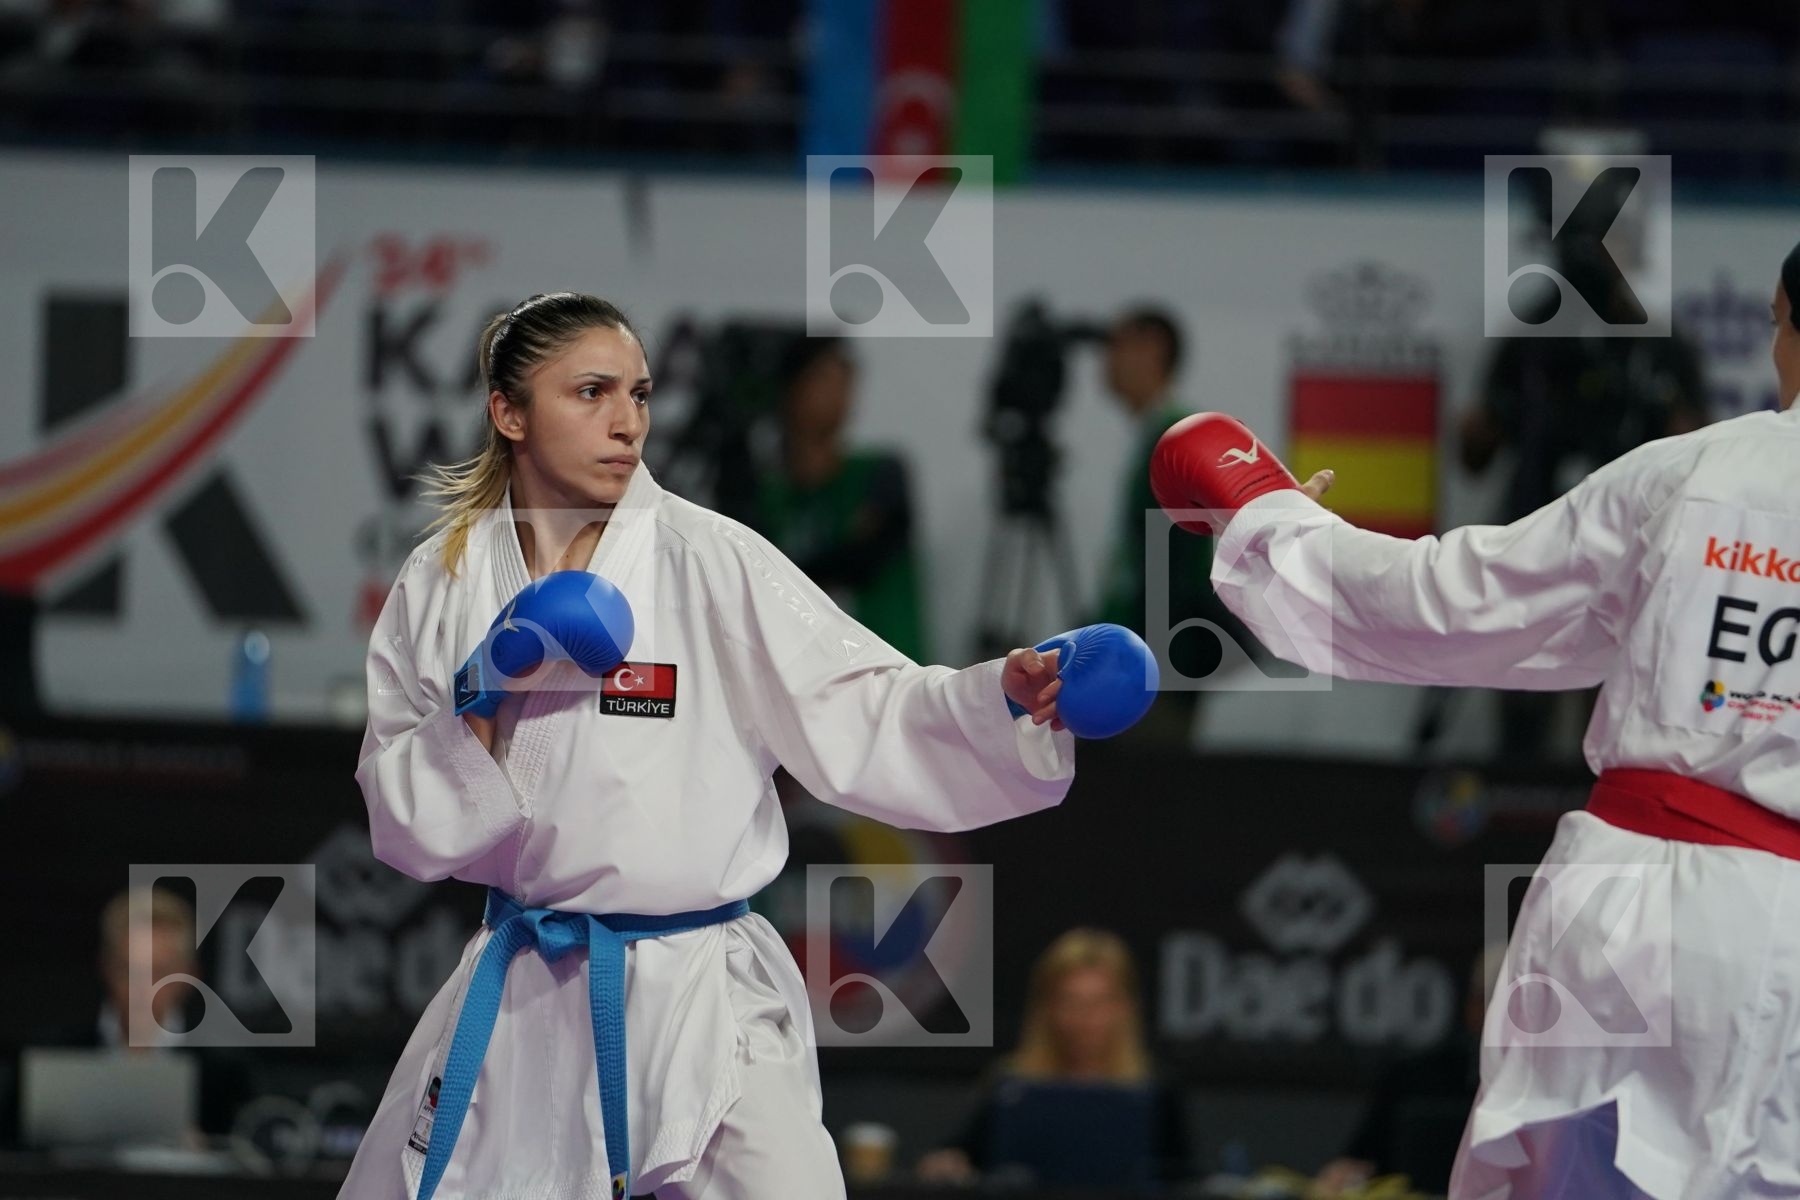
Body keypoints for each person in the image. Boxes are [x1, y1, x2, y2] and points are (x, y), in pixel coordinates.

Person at [341, 292, 1154, 1200]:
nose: (626, 422)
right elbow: (404, 825)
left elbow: (863, 705)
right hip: (527, 988)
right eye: (592, 392)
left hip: (704, 995)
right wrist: (486, 692)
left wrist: (998, 698)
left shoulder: (710, 561)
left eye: (641, 395)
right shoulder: (443, 580)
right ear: (509, 412)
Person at [1150, 242, 1800, 1199]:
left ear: (1785, 316)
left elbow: (1457, 606)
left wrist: (1263, 519)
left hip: (1648, 910)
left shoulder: (1700, 474)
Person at [915, 928, 1192, 1188]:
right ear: (1047, 1008)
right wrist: (946, 1162)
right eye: (1070, 1001)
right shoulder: (1012, 1089)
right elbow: (960, 1154)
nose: (1085, 1018)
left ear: (1124, 1008)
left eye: (1099, 1002)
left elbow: (1185, 1180)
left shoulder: (1155, 1090)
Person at [1094, 306, 1250, 741]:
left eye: (1117, 347)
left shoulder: (1173, 440)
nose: (1105, 364)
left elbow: (1178, 566)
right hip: (1149, 658)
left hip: (1157, 667)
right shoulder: (1157, 436)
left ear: (1153, 350)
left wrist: (1160, 662)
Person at [2, 886, 254, 1147]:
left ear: (189, 976)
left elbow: (245, 1168)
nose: (143, 988)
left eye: (159, 972)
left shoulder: (223, 1075)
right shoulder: (48, 1056)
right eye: (129, 970)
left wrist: (207, 1153)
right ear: (107, 967)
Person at [754, 337, 928, 662]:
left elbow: (861, 558)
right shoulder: (764, 492)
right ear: (792, 389)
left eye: (845, 382)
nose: (840, 395)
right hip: (796, 678)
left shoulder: (882, 473)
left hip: (889, 675)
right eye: (824, 379)